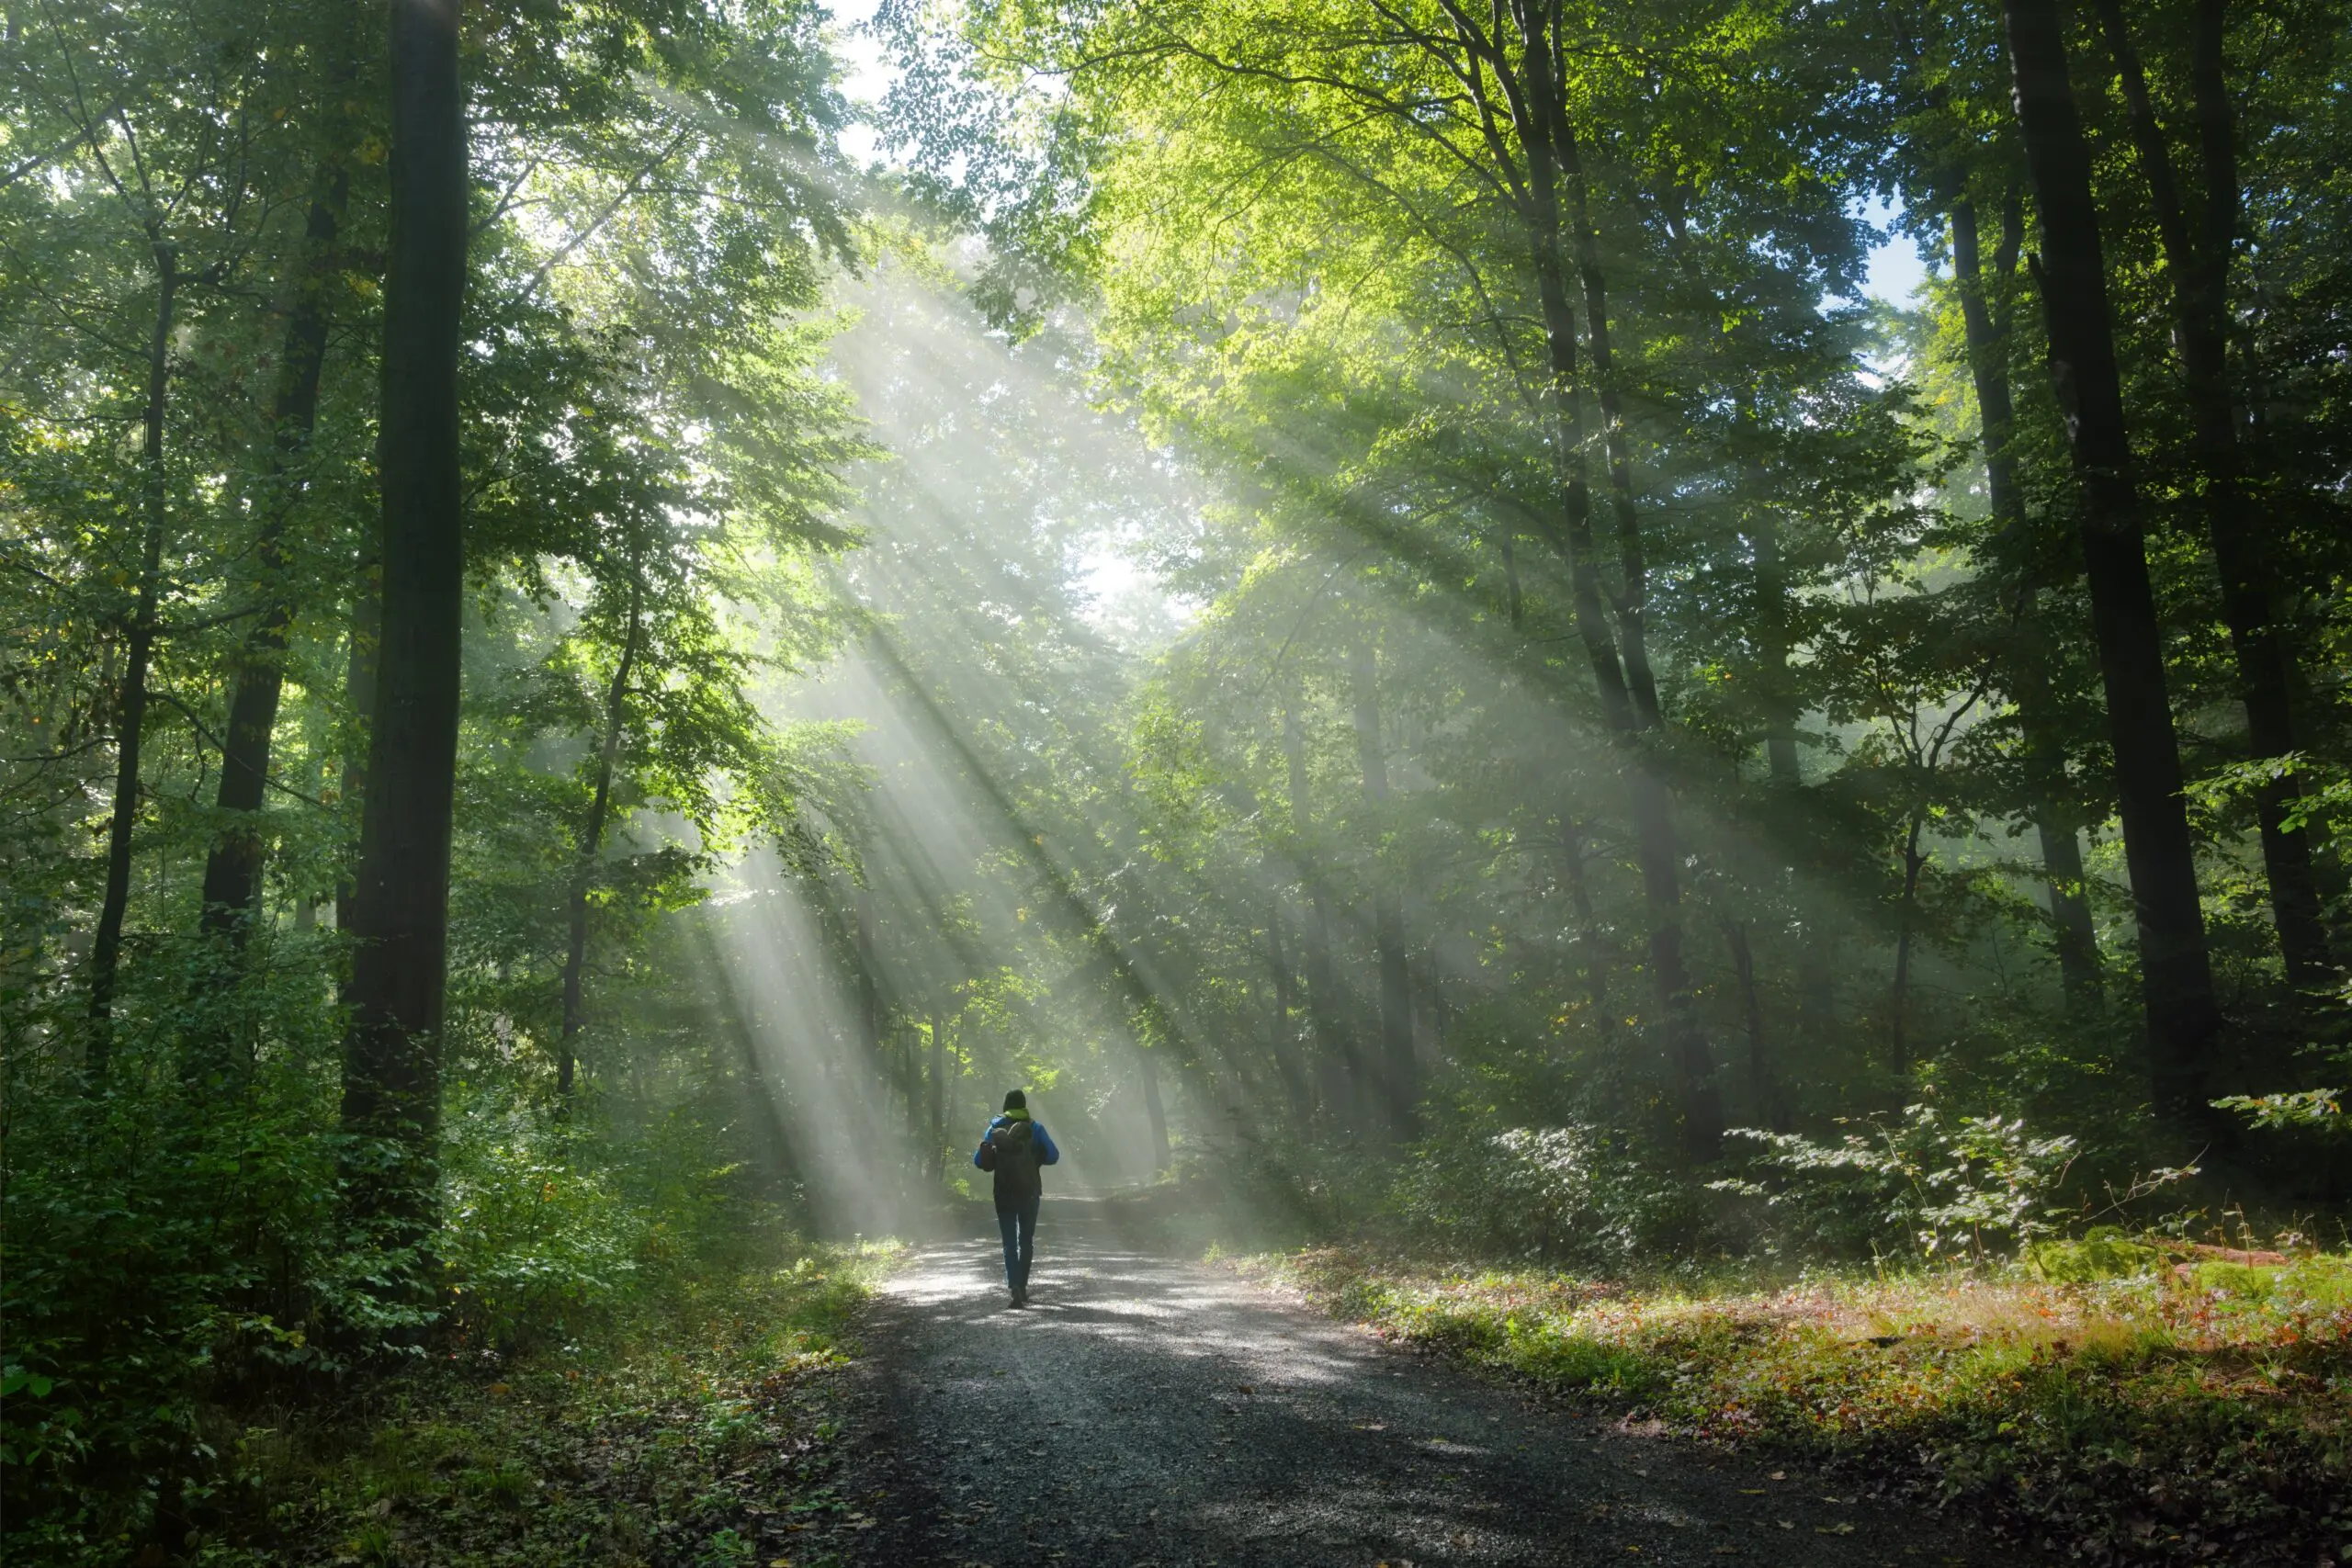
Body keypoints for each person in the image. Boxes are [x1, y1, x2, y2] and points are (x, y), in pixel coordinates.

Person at [973, 1089, 1060, 1307]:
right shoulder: (1035, 1127)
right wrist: (1035, 1156)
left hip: (1003, 1192)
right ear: (1024, 1105)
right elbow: (1053, 1156)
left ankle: (1014, 1287)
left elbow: (978, 1161)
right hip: (1030, 1192)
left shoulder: (994, 1128)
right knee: (1026, 1241)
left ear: (1005, 1106)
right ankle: (1022, 1284)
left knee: (1009, 1243)